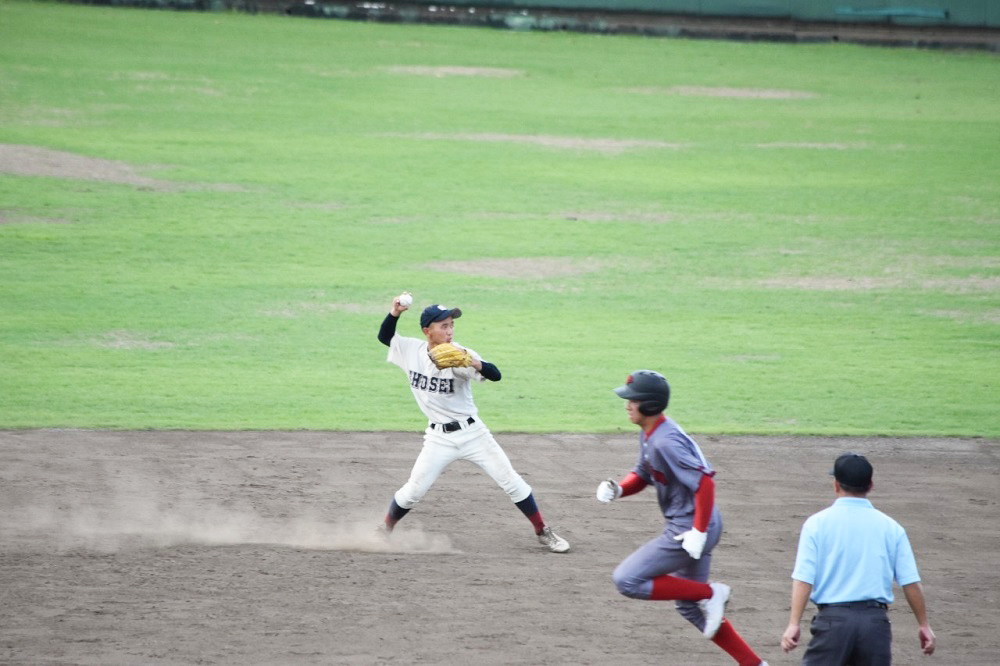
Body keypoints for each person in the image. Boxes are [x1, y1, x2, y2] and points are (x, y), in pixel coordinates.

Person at [596, 370, 768, 666]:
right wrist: (619, 490)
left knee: (627, 580)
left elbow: (705, 482)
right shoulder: (652, 433)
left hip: (691, 527)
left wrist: (698, 531)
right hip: (699, 523)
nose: (626, 405)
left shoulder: (666, 441)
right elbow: (644, 473)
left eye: (632, 400)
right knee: (690, 607)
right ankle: (755, 664)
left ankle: (712, 592)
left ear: (649, 405)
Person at [375, 295, 570, 553]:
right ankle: (384, 530)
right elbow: (385, 337)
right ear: (427, 331)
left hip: (473, 434)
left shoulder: (460, 355)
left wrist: (472, 361)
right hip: (438, 438)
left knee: (511, 482)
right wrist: (395, 313)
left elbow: (495, 374)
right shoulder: (411, 350)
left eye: (451, 325)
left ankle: (542, 531)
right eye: (443, 326)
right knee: (413, 491)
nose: (450, 330)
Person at [781, 452, 936, 663]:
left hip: (832, 624)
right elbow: (911, 582)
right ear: (870, 485)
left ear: (836, 484)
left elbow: (804, 578)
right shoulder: (891, 528)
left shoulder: (816, 524)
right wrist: (923, 625)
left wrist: (794, 623)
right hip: (875, 626)